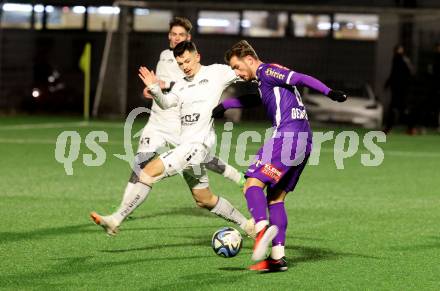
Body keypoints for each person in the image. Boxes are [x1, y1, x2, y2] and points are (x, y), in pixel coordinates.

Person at [90, 18, 249, 236]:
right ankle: (248, 225)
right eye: (181, 64)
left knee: (146, 173)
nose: (185, 67)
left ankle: (116, 219)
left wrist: (268, 76)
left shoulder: (216, 73)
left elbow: (245, 72)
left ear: (197, 57)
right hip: (186, 146)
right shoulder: (182, 85)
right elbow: (166, 103)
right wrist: (155, 89)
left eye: (188, 61)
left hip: (196, 146)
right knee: (204, 199)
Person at [213, 40, 347, 272]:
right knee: (275, 199)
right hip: (304, 141)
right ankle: (277, 258)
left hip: (288, 136)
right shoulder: (263, 81)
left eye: (236, 66)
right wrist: (226, 105)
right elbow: (256, 99)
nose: (236, 72)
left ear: (250, 59)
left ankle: (262, 230)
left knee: (252, 184)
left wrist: (329, 92)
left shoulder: (266, 70)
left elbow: (300, 77)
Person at [384, 44, 415, 134]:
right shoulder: (397, 59)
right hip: (397, 89)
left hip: (402, 90)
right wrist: (388, 83)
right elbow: (393, 73)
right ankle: (389, 128)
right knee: (395, 109)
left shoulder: (403, 60)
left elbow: (410, 73)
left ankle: (410, 128)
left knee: (402, 109)